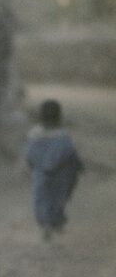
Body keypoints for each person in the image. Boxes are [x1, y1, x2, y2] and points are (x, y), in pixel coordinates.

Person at [25, 99, 83, 240]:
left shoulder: (34, 136)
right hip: (60, 175)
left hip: (40, 174)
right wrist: (79, 166)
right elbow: (71, 155)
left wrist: (33, 167)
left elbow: (29, 156)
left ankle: (45, 224)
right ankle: (55, 221)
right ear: (59, 117)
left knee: (41, 199)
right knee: (58, 199)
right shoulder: (63, 137)